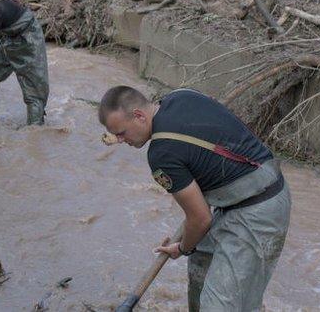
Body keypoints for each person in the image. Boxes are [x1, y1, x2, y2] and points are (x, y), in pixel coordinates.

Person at [97, 86, 291, 312]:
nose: (120, 140)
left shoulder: (161, 154)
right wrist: (191, 243)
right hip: (234, 199)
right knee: (200, 274)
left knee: (223, 305)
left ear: (139, 116)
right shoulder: (181, 95)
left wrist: (182, 248)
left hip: (258, 210)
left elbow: (200, 219)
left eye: (121, 133)